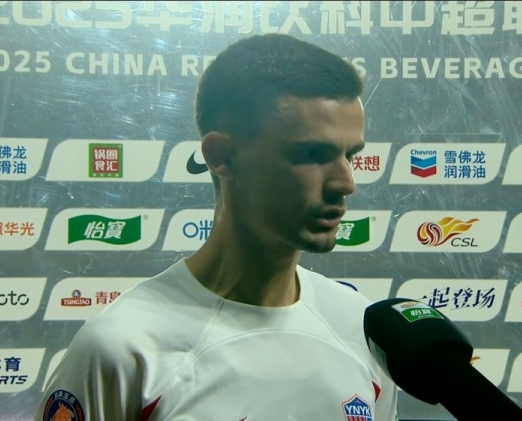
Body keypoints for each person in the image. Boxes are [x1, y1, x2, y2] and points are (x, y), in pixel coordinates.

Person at [36, 33, 398, 421]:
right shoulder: (122, 350)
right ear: (222, 156)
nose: (345, 183)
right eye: (312, 154)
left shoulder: (362, 328)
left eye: (350, 155)